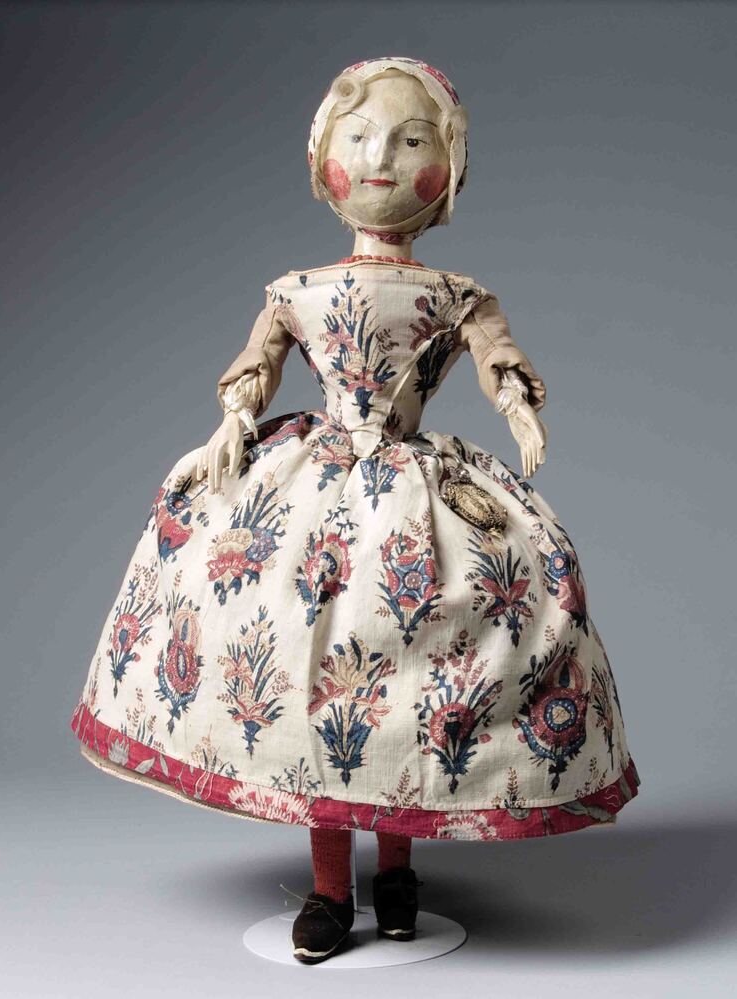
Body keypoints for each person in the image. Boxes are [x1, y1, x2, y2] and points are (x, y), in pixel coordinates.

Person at [70, 56, 641, 965]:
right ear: (323, 160)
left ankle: (399, 874)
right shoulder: (295, 291)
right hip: (317, 488)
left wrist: (519, 405)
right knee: (317, 669)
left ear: (448, 169)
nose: (381, 161)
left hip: (418, 493)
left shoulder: (455, 295)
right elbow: (256, 368)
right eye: (361, 138)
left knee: (413, 668)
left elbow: (497, 356)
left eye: (411, 142)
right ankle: (332, 889)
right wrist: (232, 424)